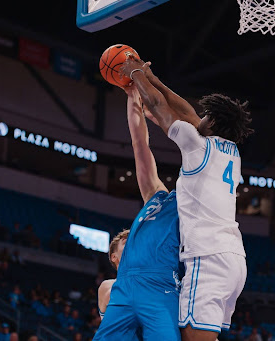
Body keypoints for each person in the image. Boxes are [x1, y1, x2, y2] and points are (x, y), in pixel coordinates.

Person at [121, 57, 253, 341]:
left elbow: (160, 106)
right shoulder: (230, 151)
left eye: (206, 116)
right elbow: (188, 113)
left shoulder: (197, 145)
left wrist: (135, 75)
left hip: (207, 257)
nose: (198, 117)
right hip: (234, 259)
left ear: (213, 121)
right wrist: (151, 77)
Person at [93, 85, 181, 340]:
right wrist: (132, 96)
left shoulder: (187, 205)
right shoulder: (156, 196)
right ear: (113, 257)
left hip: (161, 282)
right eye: (128, 239)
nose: (132, 238)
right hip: (130, 285)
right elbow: (139, 142)